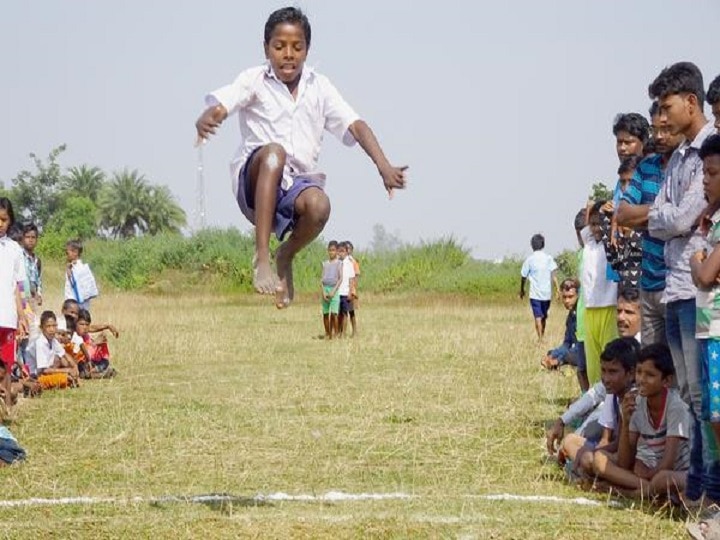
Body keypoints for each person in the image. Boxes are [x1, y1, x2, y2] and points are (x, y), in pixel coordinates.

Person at [195, 7, 407, 309]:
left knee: (320, 205)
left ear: (307, 49)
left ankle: (286, 254)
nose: (288, 54)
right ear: (266, 48)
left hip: (294, 186)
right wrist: (209, 116)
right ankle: (263, 257)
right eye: (279, 47)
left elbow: (355, 124)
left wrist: (383, 165)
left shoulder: (319, 87)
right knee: (273, 154)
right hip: (256, 181)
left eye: (297, 47)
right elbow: (226, 103)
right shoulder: (254, 80)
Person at [648, 61, 717, 504]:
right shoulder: (678, 158)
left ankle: (707, 492)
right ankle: (696, 491)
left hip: (698, 292)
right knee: (693, 395)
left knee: (706, 398)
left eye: (667, 107)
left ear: (691, 103)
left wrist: (669, 222)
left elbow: (681, 217)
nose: (662, 117)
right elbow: (662, 218)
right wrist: (665, 221)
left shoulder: (709, 152)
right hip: (675, 289)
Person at [616, 100, 685, 346]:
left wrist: (645, 218)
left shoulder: (688, 166)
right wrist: (663, 215)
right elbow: (623, 214)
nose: (659, 136)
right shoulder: (645, 167)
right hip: (648, 282)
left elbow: (684, 220)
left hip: (678, 283)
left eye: (665, 129)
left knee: (682, 369)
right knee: (652, 365)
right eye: (655, 130)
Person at [547, 288, 642, 458]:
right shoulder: (618, 346)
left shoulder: (648, 351)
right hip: (612, 423)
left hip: (637, 436)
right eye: (618, 311)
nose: (621, 317)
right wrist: (562, 420)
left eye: (628, 312)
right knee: (572, 443)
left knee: (586, 454)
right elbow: (598, 391)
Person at [592, 344, 690, 498]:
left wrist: (646, 474)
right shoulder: (636, 402)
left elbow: (668, 463)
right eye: (639, 372)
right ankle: (644, 489)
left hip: (679, 473)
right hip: (648, 471)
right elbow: (624, 462)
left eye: (650, 375)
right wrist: (625, 421)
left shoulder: (676, 407)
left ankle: (626, 491)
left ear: (667, 380)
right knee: (599, 460)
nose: (641, 380)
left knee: (662, 480)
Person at [560, 337, 639, 479]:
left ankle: (626, 485)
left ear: (631, 374)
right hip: (620, 455)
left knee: (592, 460)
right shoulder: (617, 395)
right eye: (603, 371)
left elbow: (625, 456)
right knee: (570, 440)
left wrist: (594, 454)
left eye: (613, 372)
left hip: (635, 462)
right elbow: (613, 442)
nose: (606, 378)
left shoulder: (632, 401)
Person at [580, 202, 618, 385]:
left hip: (609, 306)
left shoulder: (611, 243)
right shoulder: (589, 244)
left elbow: (611, 225)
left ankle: (609, 399)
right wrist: (591, 209)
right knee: (593, 358)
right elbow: (586, 228)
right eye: (593, 224)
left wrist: (608, 214)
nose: (596, 228)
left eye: (600, 223)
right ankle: (596, 400)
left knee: (609, 354)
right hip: (590, 308)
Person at [0, 198, 28, 410]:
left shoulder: (14, 250)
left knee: (6, 365)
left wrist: (22, 314)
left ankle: (7, 407)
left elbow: (17, 287)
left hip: (7, 317)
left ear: (10, 221)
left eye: (4, 219)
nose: (0, 223)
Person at [519, 234, 560, 341]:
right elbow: (554, 275)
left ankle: (541, 337)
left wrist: (522, 289)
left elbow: (523, 276)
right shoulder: (548, 258)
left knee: (540, 316)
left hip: (536, 294)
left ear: (532, 245)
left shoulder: (530, 259)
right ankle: (541, 338)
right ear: (543, 244)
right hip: (546, 294)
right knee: (542, 316)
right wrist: (558, 290)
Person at [25, 311, 79, 386]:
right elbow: (44, 370)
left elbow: (64, 354)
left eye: (54, 326)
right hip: (36, 376)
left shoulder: (53, 340)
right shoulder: (40, 342)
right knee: (65, 379)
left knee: (63, 360)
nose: (52, 329)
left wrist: (74, 367)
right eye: (48, 326)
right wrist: (66, 370)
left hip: (47, 370)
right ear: (41, 328)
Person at [540, 278, 579, 370]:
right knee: (551, 352)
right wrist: (553, 355)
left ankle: (558, 363)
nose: (567, 301)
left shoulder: (583, 316)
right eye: (564, 297)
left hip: (583, 352)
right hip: (573, 351)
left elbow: (582, 346)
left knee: (572, 354)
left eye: (570, 297)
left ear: (578, 295)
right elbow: (567, 343)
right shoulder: (571, 317)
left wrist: (559, 359)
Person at [64, 239, 98, 311]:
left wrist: (70, 272)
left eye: (68, 252)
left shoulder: (81, 269)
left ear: (75, 252)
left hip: (78, 305)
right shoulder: (71, 266)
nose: (66, 254)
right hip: (71, 304)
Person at [320, 240, 342, 340]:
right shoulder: (325, 264)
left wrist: (334, 291)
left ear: (337, 251)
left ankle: (336, 334)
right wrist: (323, 292)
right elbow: (321, 279)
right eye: (330, 250)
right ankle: (328, 334)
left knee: (334, 314)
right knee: (325, 314)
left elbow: (340, 278)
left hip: (334, 289)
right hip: (326, 288)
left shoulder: (339, 263)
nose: (331, 252)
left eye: (333, 250)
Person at [337, 242, 356, 338]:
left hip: (346, 292)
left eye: (343, 251)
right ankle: (339, 331)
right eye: (339, 251)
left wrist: (350, 292)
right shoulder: (337, 262)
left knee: (347, 312)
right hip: (338, 292)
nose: (341, 253)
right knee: (339, 313)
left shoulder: (350, 263)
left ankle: (344, 333)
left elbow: (352, 279)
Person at [346, 241, 360, 337]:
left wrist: (353, 290)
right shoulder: (342, 261)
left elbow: (356, 276)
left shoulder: (353, 262)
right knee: (342, 312)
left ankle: (354, 330)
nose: (347, 251)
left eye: (349, 249)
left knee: (351, 311)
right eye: (346, 249)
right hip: (342, 289)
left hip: (350, 289)